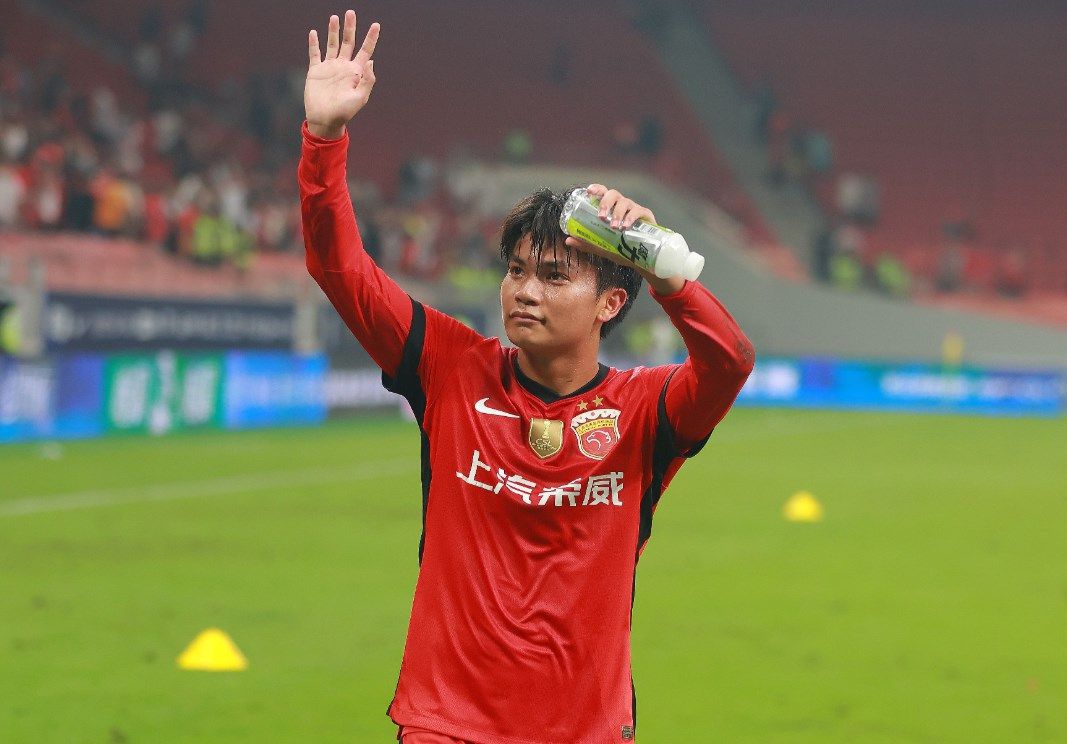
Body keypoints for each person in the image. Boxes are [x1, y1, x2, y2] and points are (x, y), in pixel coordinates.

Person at [299, 11, 755, 743]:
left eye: (553, 276)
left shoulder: (646, 411)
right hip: (447, 725)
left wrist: (663, 268)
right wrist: (324, 139)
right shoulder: (450, 366)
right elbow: (338, 268)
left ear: (611, 303)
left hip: (584, 729)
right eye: (515, 271)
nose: (524, 291)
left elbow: (728, 362)